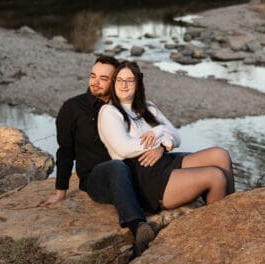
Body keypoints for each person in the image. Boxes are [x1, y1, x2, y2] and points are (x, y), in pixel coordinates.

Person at [41, 55, 157, 256]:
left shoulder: (127, 105)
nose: (95, 82)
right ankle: (138, 227)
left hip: (133, 172)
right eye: (92, 76)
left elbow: (154, 131)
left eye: (103, 78)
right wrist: (61, 191)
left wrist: (161, 147)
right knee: (116, 167)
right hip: (97, 179)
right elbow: (65, 151)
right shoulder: (73, 108)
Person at [97, 60, 235, 213]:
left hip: (164, 160)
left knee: (220, 155)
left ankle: (233, 213)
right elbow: (123, 149)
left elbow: (176, 136)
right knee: (215, 177)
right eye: (120, 80)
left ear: (138, 84)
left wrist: (162, 145)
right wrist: (159, 135)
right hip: (144, 174)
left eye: (129, 80)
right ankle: (221, 225)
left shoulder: (148, 107)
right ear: (114, 82)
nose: (124, 85)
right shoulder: (109, 112)